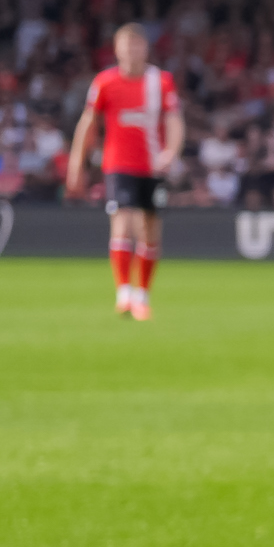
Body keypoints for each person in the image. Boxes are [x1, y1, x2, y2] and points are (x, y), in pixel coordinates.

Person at [63, 22, 184, 322]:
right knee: (123, 221)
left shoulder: (161, 82)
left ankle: (142, 296)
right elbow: (88, 123)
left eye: (137, 45)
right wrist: (76, 164)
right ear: (116, 50)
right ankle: (124, 294)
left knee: (150, 229)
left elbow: (175, 120)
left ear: (145, 49)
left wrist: (171, 151)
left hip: (153, 165)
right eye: (126, 46)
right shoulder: (105, 82)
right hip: (118, 164)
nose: (132, 52)